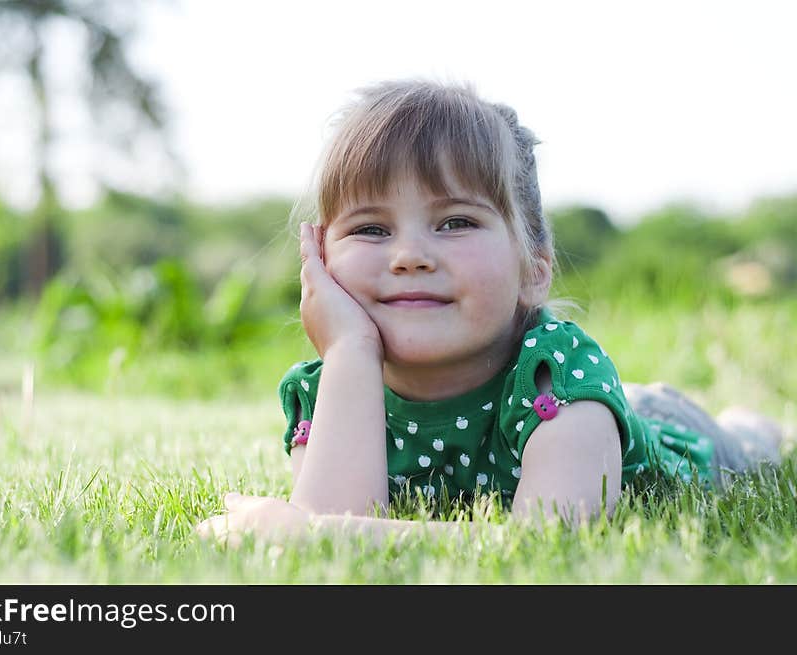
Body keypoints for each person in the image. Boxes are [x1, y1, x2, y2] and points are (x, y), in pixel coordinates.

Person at [197, 78, 783, 546]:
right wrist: (350, 352)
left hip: (653, 427)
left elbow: (551, 545)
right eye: (370, 228)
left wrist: (309, 530)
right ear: (320, 261)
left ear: (533, 268)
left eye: (455, 222)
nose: (409, 256)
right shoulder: (330, 391)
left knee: (750, 448)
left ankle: (752, 423)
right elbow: (334, 541)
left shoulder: (560, 374)